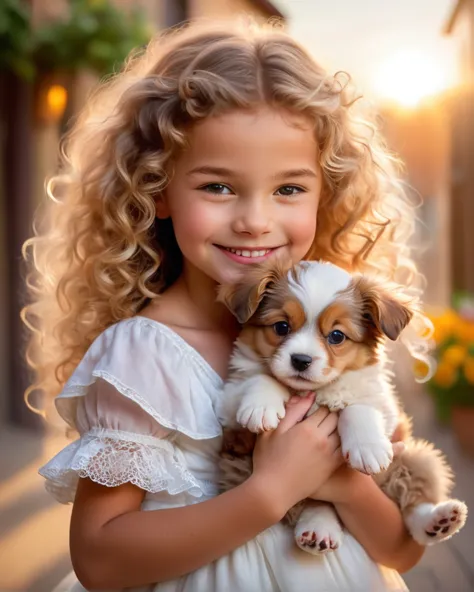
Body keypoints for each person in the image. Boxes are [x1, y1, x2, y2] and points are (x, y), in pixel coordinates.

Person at [24, 19, 431, 592]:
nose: (255, 221)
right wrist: (271, 491)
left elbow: (400, 552)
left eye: (288, 188)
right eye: (218, 186)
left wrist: (339, 483)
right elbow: (98, 560)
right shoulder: (146, 355)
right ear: (157, 189)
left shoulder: (339, 350)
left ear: (325, 192)